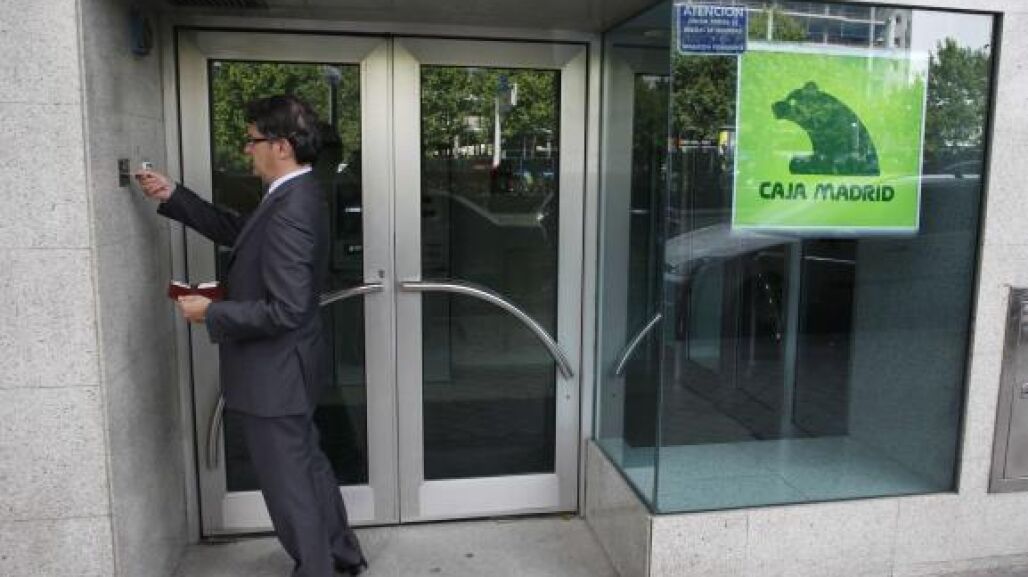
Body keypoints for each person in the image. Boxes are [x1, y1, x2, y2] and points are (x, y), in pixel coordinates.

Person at [135, 95, 367, 577]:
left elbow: (287, 308)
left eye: (253, 140)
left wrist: (212, 312)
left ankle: (317, 568)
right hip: (288, 369)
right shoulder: (295, 194)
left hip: (275, 374)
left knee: (289, 485)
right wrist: (173, 195)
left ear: (281, 146)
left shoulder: (291, 207)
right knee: (307, 467)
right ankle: (341, 555)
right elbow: (240, 232)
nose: (246, 150)